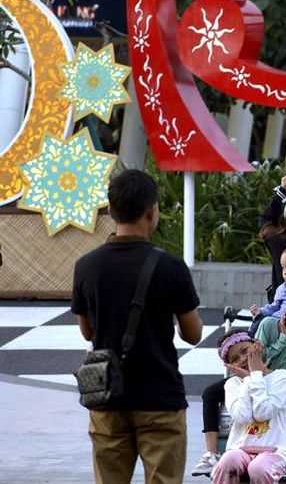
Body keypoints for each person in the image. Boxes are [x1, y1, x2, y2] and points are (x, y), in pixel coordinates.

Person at [72, 169, 202, 484]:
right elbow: (193, 334)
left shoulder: (87, 265)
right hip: (159, 396)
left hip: (107, 398)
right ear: (151, 211)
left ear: (111, 211)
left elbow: (87, 332)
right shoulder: (170, 266)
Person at [192, 293, 286, 477]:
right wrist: (277, 346)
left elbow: (283, 368)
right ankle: (211, 452)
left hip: (272, 377)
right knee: (210, 393)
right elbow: (261, 355)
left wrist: (269, 374)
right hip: (248, 373)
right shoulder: (268, 324)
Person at [210, 334, 286, 484]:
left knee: (259, 468)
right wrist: (249, 379)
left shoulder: (281, 377)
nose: (242, 359)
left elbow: (263, 413)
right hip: (240, 449)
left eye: (244, 350)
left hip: (276, 451)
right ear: (230, 366)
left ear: (257, 346)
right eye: (234, 359)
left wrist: (255, 375)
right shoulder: (232, 384)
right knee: (227, 462)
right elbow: (243, 416)